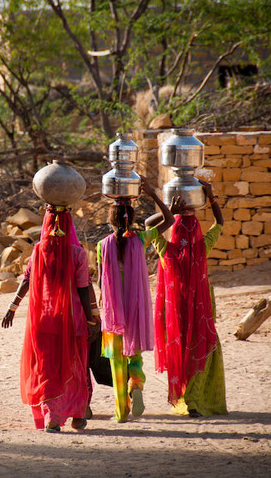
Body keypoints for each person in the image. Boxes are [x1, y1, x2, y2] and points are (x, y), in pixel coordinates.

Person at [2, 204, 97, 432]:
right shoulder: (78, 253)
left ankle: (52, 418)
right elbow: (84, 288)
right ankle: (77, 415)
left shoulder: (38, 251)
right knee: (74, 366)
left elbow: (26, 280)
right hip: (72, 319)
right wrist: (92, 319)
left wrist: (12, 307)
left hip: (44, 319)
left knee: (47, 368)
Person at [147, 180, 228, 417]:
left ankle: (185, 398)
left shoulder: (166, 251)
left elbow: (148, 225)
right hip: (201, 307)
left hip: (175, 312)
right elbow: (219, 222)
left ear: (175, 231)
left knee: (181, 350)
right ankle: (194, 401)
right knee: (200, 348)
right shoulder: (203, 246)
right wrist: (211, 196)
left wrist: (165, 208)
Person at [96, 179, 174, 423]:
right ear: (132, 220)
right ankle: (137, 385)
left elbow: (101, 281)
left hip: (113, 313)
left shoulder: (102, 245)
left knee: (116, 363)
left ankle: (121, 411)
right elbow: (170, 221)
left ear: (111, 220)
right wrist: (153, 194)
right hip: (136, 310)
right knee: (135, 357)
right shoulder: (140, 240)